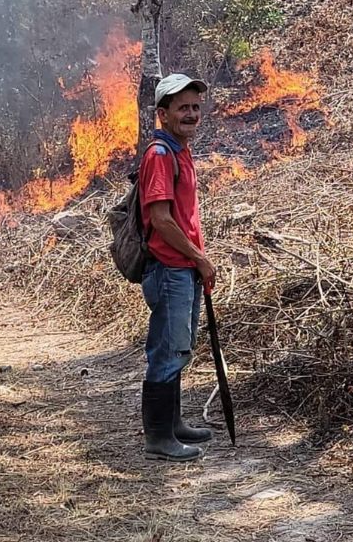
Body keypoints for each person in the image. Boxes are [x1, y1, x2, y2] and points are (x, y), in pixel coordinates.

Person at [138, 73, 217, 462]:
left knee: (180, 348)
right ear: (163, 114)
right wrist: (200, 258)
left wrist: (197, 261)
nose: (191, 114)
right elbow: (162, 219)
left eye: (195, 107)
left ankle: (173, 425)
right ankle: (158, 439)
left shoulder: (179, 150)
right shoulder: (160, 154)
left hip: (183, 268)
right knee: (167, 352)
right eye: (182, 108)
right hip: (170, 269)